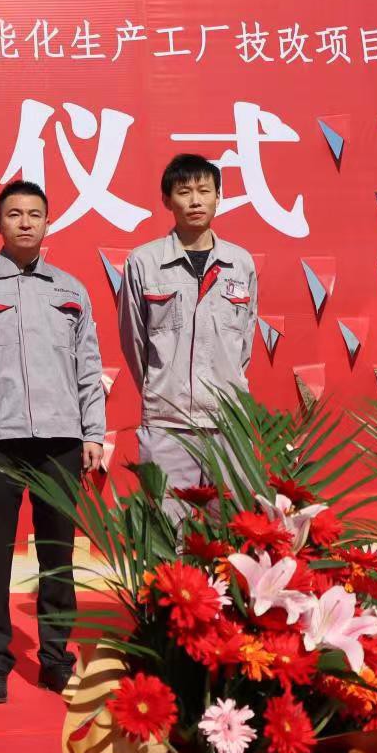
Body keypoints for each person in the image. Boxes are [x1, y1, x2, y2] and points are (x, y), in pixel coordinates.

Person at [0, 180, 105, 704]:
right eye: (14, 214)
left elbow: (88, 367)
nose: (25, 222)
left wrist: (93, 431)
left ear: (47, 222)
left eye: (34, 214)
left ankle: (56, 660)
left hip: (61, 439)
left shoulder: (70, 289)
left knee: (57, 557)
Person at [117, 153, 259, 512]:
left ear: (218, 197)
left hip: (229, 425)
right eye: (184, 192)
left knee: (231, 530)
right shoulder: (144, 262)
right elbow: (134, 342)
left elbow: (244, 342)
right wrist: (162, 388)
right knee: (168, 531)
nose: (195, 201)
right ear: (167, 200)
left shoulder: (241, 264)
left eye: (204, 191)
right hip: (168, 424)